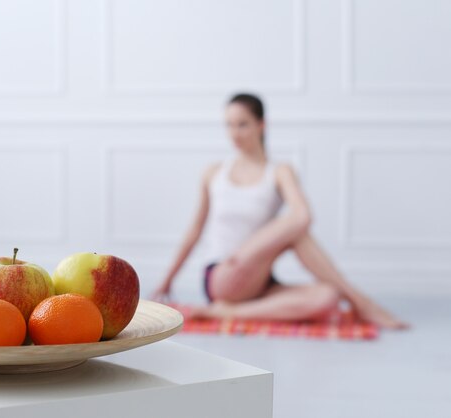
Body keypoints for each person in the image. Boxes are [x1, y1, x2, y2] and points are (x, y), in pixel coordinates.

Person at [152, 93, 407, 329]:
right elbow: (195, 230)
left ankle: (222, 313)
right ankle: (362, 303)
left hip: (259, 282)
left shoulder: (279, 171)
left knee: (327, 297)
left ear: (261, 125)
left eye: (242, 124)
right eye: (229, 125)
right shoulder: (214, 172)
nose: (234, 133)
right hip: (223, 275)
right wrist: (167, 280)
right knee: (296, 230)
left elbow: (303, 217)